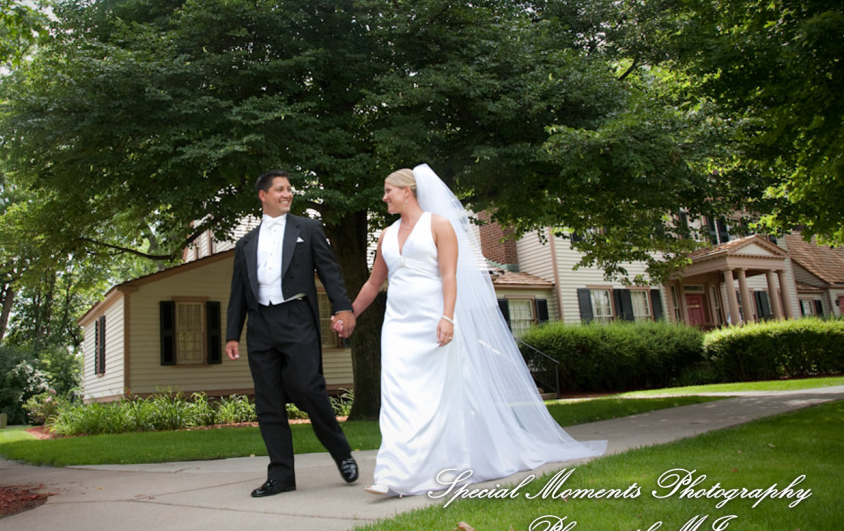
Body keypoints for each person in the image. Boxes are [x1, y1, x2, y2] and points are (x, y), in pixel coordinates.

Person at [344, 164, 606, 496]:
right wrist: (350, 313)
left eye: (388, 191)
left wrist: (447, 317)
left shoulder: (439, 225)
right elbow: (373, 283)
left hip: (433, 323)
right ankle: (393, 473)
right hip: (397, 327)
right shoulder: (385, 235)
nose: (384, 198)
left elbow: (449, 276)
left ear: (406, 191)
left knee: (439, 399)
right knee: (397, 398)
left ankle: (442, 467)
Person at [226, 169, 360, 497]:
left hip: (296, 317)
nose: (287, 194)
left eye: (289, 189)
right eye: (280, 189)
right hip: (260, 324)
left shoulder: (308, 229)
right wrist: (232, 333)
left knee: (309, 388)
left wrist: (343, 307)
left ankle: (341, 452)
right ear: (263, 196)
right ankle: (281, 476)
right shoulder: (246, 243)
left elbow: (329, 270)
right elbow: (238, 291)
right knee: (268, 401)